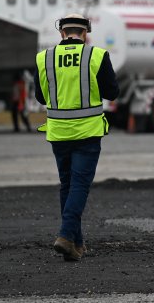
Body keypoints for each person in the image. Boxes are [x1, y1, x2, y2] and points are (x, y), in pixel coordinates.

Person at [34, 13, 119, 262]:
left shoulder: (44, 58)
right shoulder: (97, 56)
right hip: (87, 132)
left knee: (67, 185)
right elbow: (112, 92)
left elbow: (41, 97)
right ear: (86, 33)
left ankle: (75, 244)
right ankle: (64, 235)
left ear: (62, 33)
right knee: (80, 185)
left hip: (58, 132)